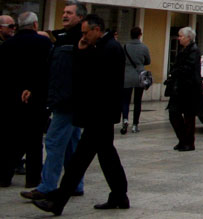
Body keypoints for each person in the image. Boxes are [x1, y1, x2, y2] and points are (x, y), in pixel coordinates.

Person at [34, 14, 129, 215]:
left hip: (99, 113)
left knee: (80, 160)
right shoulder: (105, 47)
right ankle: (120, 196)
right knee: (107, 157)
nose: (84, 37)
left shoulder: (109, 49)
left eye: (86, 33)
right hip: (101, 113)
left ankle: (58, 201)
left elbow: (91, 77)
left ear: (97, 30)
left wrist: (80, 52)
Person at [22, 15, 85, 201]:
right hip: (67, 99)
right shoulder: (62, 39)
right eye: (63, 11)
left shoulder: (76, 42)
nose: (64, 14)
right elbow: (51, 69)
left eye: (69, 12)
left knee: (54, 141)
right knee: (72, 145)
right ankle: (76, 184)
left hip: (66, 100)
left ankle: (47, 186)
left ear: (79, 17)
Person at [0, 12, 52, 188]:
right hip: (36, 98)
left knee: (11, 138)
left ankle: (4, 176)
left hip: (11, 98)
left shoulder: (7, 45)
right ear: (35, 25)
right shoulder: (44, 43)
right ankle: (32, 178)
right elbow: (47, 70)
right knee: (35, 141)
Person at [167, 27, 203, 151]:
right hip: (180, 88)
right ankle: (183, 140)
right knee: (174, 114)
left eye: (181, 36)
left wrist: (175, 72)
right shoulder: (184, 50)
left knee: (188, 117)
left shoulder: (194, 50)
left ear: (188, 38)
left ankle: (188, 142)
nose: (178, 38)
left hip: (189, 89)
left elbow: (187, 68)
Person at [121, 27, 151, 135]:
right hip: (140, 76)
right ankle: (135, 125)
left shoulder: (125, 47)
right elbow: (148, 61)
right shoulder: (144, 47)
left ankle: (125, 119)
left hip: (127, 76)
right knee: (138, 101)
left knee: (125, 101)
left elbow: (121, 60)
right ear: (140, 35)